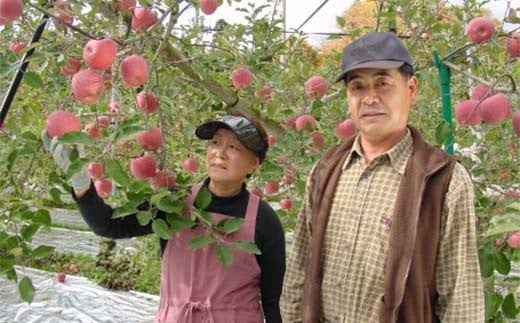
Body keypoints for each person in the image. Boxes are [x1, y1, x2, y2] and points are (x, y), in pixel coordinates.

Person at [281, 31, 484, 322]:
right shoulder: (326, 169)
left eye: (382, 83)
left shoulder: (443, 180)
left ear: (411, 89)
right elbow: (300, 267)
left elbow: (460, 297)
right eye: (358, 87)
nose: (370, 98)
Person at [41, 114, 286, 323]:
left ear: (253, 163)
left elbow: (273, 303)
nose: (219, 153)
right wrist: (81, 182)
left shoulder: (265, 222)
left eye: (233, 147)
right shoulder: (173, 203)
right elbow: (109, 225)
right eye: (215, 143)